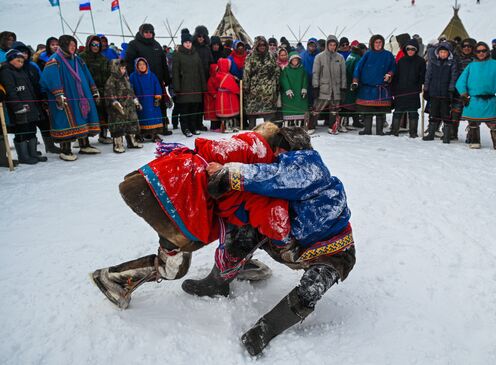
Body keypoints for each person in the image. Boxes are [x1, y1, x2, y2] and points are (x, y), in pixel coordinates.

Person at [185, 127, 355, 356]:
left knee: (310, 290)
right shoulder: (290, 170)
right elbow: (271, 175)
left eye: (275, 150)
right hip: (294, 243)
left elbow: (269, 175)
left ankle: (267, 328)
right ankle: (218, 282)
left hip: (335, 251)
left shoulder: (308, 167)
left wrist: (226, 173)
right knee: (244, 229)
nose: (272, 155)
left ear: (285, 148)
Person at [91, 123, 289, 310]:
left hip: (167, 181)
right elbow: (232, 202)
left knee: (237, 226)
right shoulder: (258, 154)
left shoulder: (246, 146)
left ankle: (236, 263)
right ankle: (111, 278)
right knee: (174, 267)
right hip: (176, 196)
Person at [40, 35, 101, 161]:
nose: (73, 48)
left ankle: (84, 145)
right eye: (71, 46)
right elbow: (50, 78)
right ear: (64, 46)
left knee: (82, 117)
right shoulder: (54, 60)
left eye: (75, 46)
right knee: (66, 120)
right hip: (65, 96)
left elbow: (86, 74)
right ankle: (65, 150)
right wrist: (58, 94)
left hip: (81, 95)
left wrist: (93, 89)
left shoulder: (77, 59)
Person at [455, 42, 496, 150]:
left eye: (483, 50)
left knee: (495, 125)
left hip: (491, 99)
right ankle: (474, 141)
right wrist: (464, 94)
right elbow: (460, 82)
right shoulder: (471, 66)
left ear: (488, 51)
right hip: (474, 100)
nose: (481, 53)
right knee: (473, 124)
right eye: (478, 51)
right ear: (475, 52)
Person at [11, 41, 61, 154]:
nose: (23, 55)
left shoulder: (32, 66)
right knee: (29, 127)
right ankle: (30, 151)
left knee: (45, 123)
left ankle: (50, 146)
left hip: (38, 99)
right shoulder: (13, 69)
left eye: (25, 52)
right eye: (20, 52)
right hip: (24, 102)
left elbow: (41, 80)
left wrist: (44, 95)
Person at [0, 49, 47, 164]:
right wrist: (17, 107)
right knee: (22, 131)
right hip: (18, 108)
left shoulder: (21, 71)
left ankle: (33, 152)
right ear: (11, 60)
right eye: (18, 60)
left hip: (30, 105)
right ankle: (23, 156)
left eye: (22, 61)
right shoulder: (6, 72)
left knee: (31, 129)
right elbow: (11, 91)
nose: (21, 63)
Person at [125, 24, 172, 136]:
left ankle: (162, 127)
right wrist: (134, 77)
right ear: (141, 32)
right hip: (141, 81)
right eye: (146, 32)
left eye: (150, 32)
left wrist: (166, 77)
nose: (148, 34)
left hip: (157, 80)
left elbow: (163, 63)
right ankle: (144, 130)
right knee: (144, 106)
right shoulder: (134, 44)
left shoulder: (156, 45)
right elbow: (129, 62)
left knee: (160, 104)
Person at [352, 34, 396, 136]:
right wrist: (355, 80)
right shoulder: (367, 54)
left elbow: (393, 67)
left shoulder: (388, 55)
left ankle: (379, 130)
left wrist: (389, 74)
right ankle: (367, 130)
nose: (378, 44)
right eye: (376, 42)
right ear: (372, 43)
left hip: (381, 88)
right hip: (367, 88)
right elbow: (358, 68)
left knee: (380, 112)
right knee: (368, 111)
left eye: (380, 42)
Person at [308, 35, 346, 135]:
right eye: (330, 44)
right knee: (317, 108)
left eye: (334, 45)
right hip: (323, 88)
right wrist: (315, 87)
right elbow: (315, 73)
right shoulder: (319, 57)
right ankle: (311, 126)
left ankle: (332, 127)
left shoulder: (340, 58)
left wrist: (343, 87)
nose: (332, 47)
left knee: (334, 109)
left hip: (336, 88)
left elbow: (343, 74)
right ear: (327, 45)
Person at [172, 30, 207, 137]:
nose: (188, 44)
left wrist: (203, 86)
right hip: (184, 87)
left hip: (195, 87)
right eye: (186, 42)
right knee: (185, 111)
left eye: (190, 42)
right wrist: (177, 87)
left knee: (194, 110)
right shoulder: (178, 55)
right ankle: (185, 128)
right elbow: (175, 72)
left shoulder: (195, 54)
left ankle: (193, 127)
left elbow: (200, 71)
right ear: (183, 43)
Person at [104, 59, 143, 153]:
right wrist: (115, 103)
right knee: (118, 125)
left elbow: (131, 91)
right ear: (115, 68)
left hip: (129, 106)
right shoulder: (111, 81)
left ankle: (132, 141)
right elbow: (109, 94)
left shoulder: (126, 78)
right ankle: (118, 143)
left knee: (132, 123)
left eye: (124, 68)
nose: (123, 70)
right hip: (117, 108)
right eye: (121, 68)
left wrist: (135, 100)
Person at [80, 35, 112, 145]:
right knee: (87, 113)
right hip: (87, 90)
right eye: (93, 44)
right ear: (88, 44)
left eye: (97, 45)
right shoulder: (81, 58)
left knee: (103, 113)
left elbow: (108, 74)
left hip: (102, 90)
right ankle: (84, 138)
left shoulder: (103, 59)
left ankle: (103, 135)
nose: (95, 47)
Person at [422, 42, 458, 143]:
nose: (443, 54)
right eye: (441, 52)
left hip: (445, 93)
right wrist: (426, 89)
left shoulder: (451, 63)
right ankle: (431, 133)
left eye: (445, 52)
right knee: (433, 113)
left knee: (446, 114)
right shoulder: (433, 62)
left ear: (448, 53)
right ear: (438, 53)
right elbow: (428, 76)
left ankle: (446, 135)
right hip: (434, 92)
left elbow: (453, 77)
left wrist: (451, 90)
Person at [391, 38, 426, 137]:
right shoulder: (401, 61)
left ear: (416, 50)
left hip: (413, 92)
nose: (410, 51)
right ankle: (394, 131)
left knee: (413, 112)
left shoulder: (421, 61)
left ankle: (413, 132)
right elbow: (396, 76)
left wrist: (418, 86)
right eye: (408, 49)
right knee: (398, 111)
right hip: (400, 91)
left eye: (413, 49)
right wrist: (394, 89)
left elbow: (423, 76)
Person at [243, 36, 280, 129]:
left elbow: (276, 71)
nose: (262, 47)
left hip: (268, 91)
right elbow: (246, 73)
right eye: (259, 45)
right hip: (254, 91)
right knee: (252, 115)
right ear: (256, 45)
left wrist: (276, 84)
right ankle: (252, 135)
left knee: (268, 116)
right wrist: (246, 87)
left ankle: (267, 135)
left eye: (264, 45)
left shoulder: (271, 56)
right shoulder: (250, 57)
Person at [129, 57, 164, 142]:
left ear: (147, 65)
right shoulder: (133, 76)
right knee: (141, 118)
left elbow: (157, 86)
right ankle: (139, 135)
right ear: (136, 66)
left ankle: (154, 134)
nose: (142, 66)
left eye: (143, 64)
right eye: (140, 64)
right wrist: (134, 99)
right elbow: (130, 88)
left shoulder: (152, 75)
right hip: (140, 102)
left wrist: (157, 97)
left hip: (152, 101)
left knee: (153, 117)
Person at [280, 52, 308, 127]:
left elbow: (305, 79)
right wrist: (287, 89)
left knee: (300, 109)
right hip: (290, 94)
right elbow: (284, 80)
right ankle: (288, 124)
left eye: (296, 60)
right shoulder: (285, 70)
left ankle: (300, 125)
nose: (295, 62)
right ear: (290, 61)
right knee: (289, 109)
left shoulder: (302, 70)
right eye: (293, 60)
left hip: (299, 93)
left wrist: (304, 88)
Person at [215, 58, 241, 132]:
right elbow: (233, 86)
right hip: (228, 95)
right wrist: (238, 91)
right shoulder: (227, 76)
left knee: (225, 111)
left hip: (221, 95)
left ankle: (226, 126)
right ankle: (228, 127)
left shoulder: (219, 74)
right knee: (229, 111)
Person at [299, 38, 319, 108]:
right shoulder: (302, 55)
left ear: (316, 46)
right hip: (305, 82)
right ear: (307, 45)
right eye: (310, 45)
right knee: (305, 101)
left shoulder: (319, 55)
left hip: (316, 83)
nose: (312, 47)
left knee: (315, 102)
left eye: (314, 45)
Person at [204, 63, 220, 131]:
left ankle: (217, 126)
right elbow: (210, 89)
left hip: (216, 98)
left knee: (217, 113)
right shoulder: (211, 79)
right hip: (212, 99)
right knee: (213, 114)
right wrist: (215, 94)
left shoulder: (217, 78)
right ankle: (213, 126)